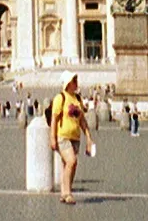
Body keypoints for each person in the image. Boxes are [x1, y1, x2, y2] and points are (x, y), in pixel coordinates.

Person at [49, 71, 94, 206]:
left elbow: (82, 121)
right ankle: (68, 193)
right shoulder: (60, 98)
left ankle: (64, 192)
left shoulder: (78, 99)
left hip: (75, 137)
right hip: (62, 136)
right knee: (71, 161)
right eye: (74, 80)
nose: (76, 82)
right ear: (68, 83)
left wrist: (89, 138)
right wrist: (52, 138)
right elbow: (54, 119)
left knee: (69, 166)